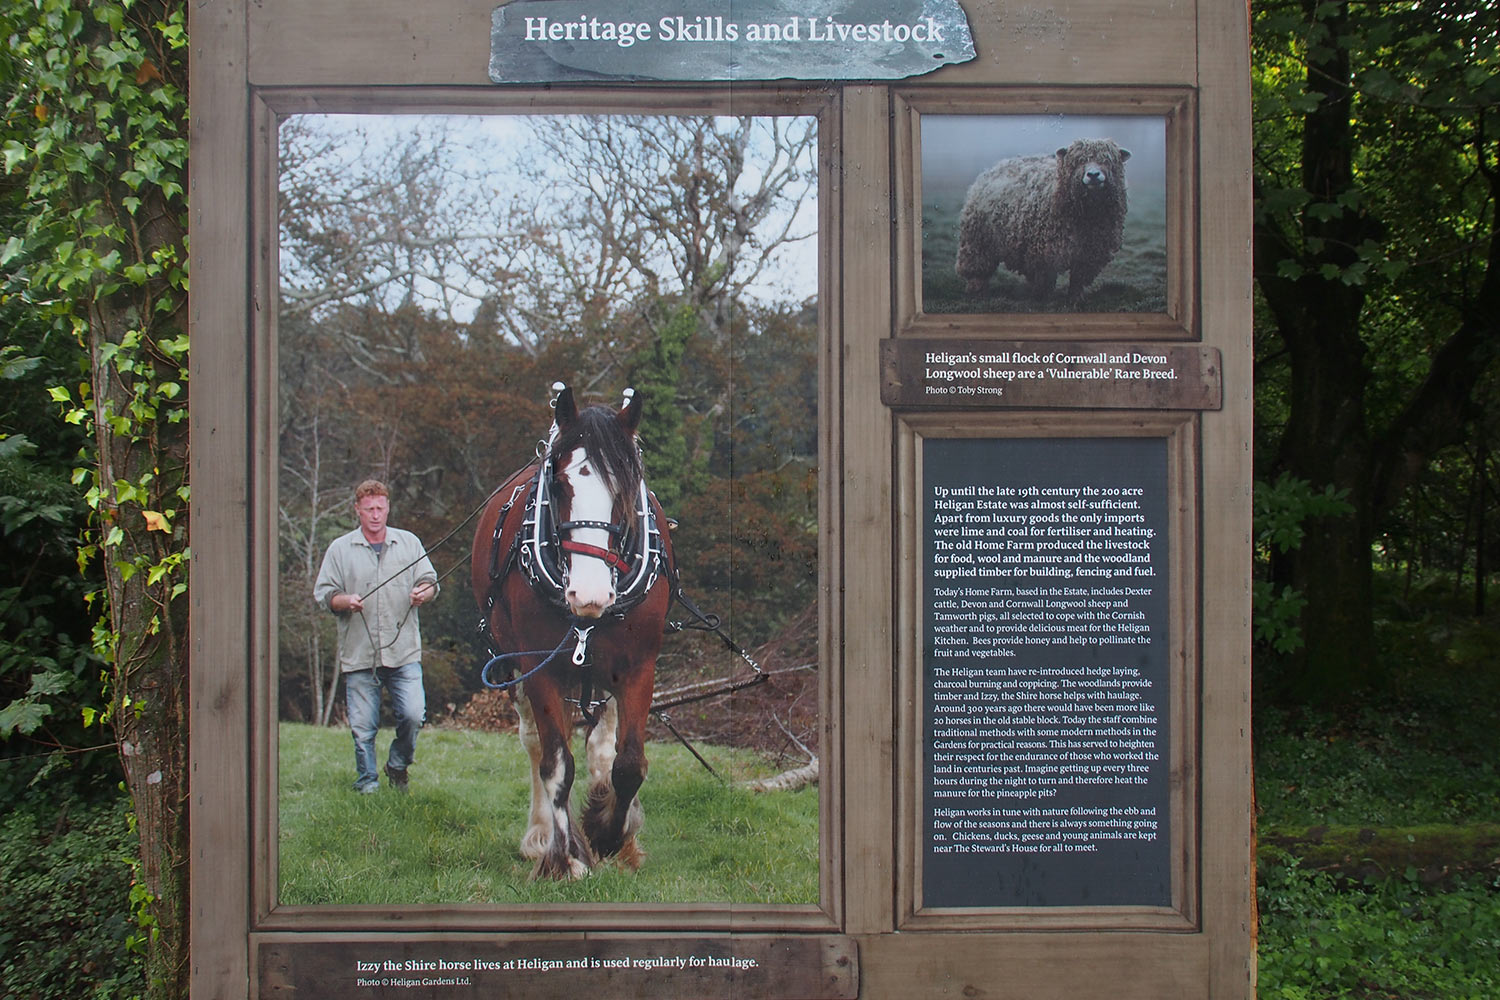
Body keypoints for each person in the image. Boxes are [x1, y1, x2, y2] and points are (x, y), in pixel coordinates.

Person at [314, 479, 439, 793]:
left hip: (404, 653)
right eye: (368, 509)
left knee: (413, 715)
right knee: (363, 729)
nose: (374, 514)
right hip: (360, 655)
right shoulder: (340, 549)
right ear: (357, 510)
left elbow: (431, 581)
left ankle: (397, 765)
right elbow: (324, 594)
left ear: (388, 508)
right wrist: (346, 601)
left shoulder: (409, 543)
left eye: (380, 508)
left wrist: (423, 592)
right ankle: (367, 784)